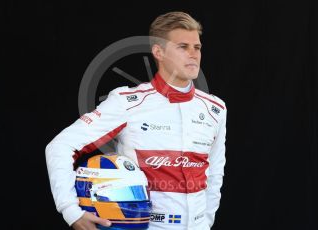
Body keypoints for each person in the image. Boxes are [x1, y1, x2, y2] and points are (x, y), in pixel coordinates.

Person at [46, 11, 227, 230]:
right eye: (182, 47)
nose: (193, 54)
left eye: (196, 47)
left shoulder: (215, 109)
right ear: (158, 52)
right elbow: (61, 146)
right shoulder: (127, 103)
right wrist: (71, 211)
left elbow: (215, 173)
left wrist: (206, 222)